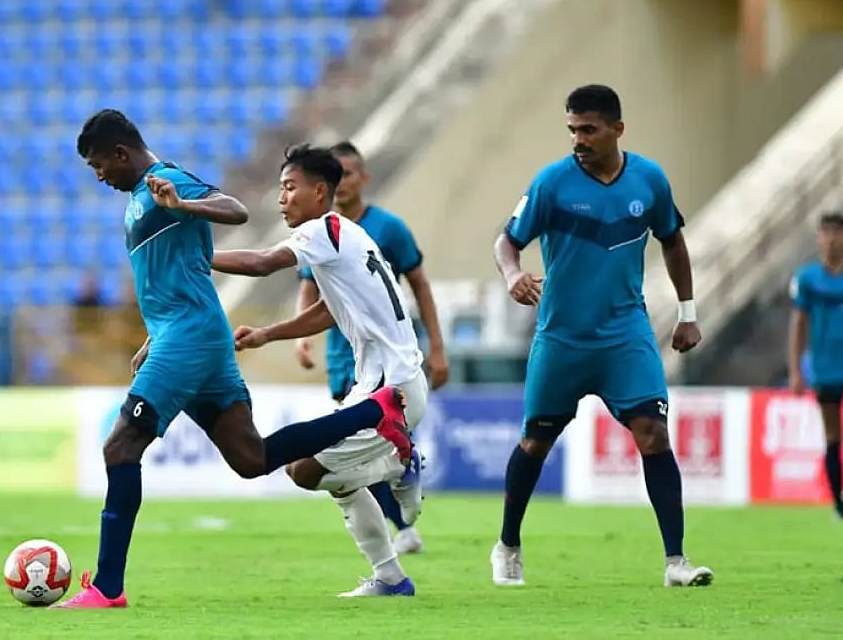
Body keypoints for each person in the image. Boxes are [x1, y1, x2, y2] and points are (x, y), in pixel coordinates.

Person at [57, 110, 412, 609]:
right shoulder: (140, 197)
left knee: (120, 448)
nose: (99, 176)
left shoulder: (166, 182)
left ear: (121, 153)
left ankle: (108, 588)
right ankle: (376, 411)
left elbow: (235, 209)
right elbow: (178, 275)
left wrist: (183, 203)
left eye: (99, 165)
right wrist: (154, 337)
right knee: (252, 459)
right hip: (187, 335)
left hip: (189, 339)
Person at [489, 85, 714, 587]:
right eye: (572, 130)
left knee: (653, 434)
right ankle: (507, 545)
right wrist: (512, 273)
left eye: (588, 129)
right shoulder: (551, 183)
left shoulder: (649, 180)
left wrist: (687, 313)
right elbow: (507, 240)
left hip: (624, 335)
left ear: (617, 129)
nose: (579, 140)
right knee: (535, 443)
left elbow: (673, 241)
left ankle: (676, 562)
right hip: (562, 337)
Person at [212, 144, 428, 596]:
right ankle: (390, 577)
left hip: (391, 391)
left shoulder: (322, 230)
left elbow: (263, 263)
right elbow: (331, 311)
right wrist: (269, 334)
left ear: (320, 191)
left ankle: (399, 462)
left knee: (304, 470)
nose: (281, 198)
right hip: (383, 383)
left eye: (290, 187)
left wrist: (196, 256)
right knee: (328, 478)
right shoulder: (347, 234)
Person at [295, 141, 449, 555]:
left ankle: (401, 527)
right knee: (352, 453)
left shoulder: (387, 228)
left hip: (385, 359)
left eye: (349, 173)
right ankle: (395, 534)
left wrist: (437, 346)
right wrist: (301, 336)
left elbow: (419, 284)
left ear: (363, 178)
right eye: (337, 174)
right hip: (342, 355)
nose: (343, 182)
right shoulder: (318, 230)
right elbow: (310, 286)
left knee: (366, 445)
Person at [787, 211, 843, 519]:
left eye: (837, 232)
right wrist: (796, 370)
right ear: (819, 239)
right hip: (826, 369)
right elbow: (798, 324)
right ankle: (838, 501)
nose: (832, 239)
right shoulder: (807, 279)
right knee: (833, 434)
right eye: (827, 233)